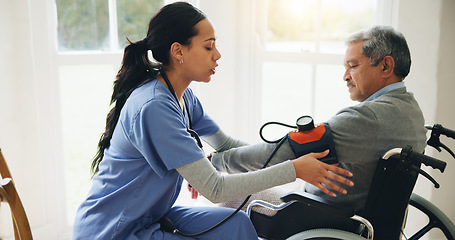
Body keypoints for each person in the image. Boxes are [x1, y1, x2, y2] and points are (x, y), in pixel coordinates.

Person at [72, 2, 353, 239]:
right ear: (178, 51)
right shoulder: (155, 106)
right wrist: (294, 169)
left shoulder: (182, 97)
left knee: (239, 224)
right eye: (209, 47)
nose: (217, 55)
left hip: (151, 215)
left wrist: (291, 151)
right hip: (114, 230)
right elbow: (215, 189)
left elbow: (227, 145)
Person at [209, 25, 428, 212]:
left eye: (353, 66)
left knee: (234, 198)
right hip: (347, 209)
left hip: (322, 213)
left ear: (386, 66)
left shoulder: (369, 117)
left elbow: (279, 153)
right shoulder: (411, 112)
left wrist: (215, 164)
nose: (345, 76)